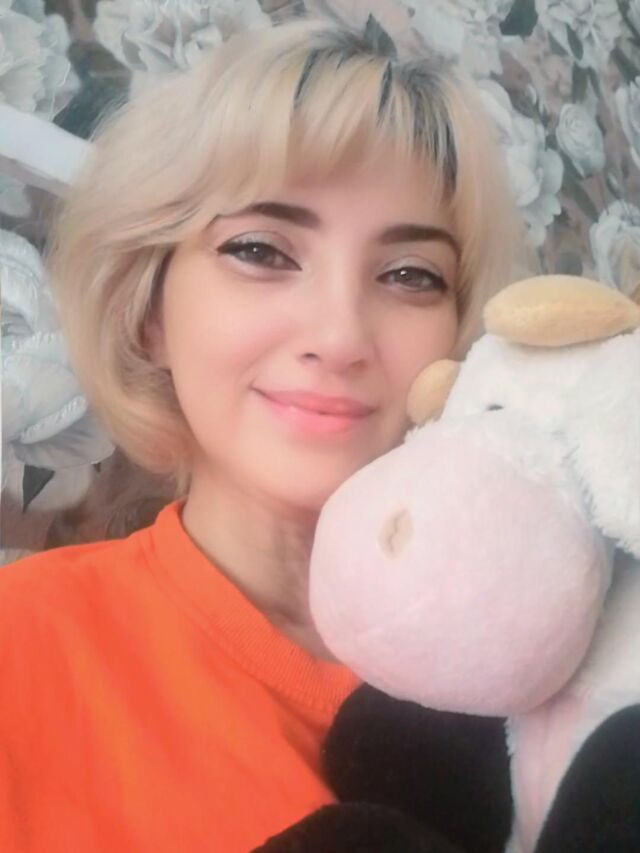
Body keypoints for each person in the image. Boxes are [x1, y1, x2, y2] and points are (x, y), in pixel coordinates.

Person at [0, 15, 529, 853]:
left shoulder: (538, 650)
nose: (341, 335)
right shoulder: (21, 651)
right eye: (261, 251)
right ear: (149, 315)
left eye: (409, 274)